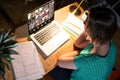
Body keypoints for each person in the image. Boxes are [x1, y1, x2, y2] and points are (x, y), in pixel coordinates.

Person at [49, 6, 118, 80]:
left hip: (77, 74)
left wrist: (78, 53)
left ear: (93, 31)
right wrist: (88, 29)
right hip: (92, 73)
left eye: (86, 22)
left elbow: (60, 61)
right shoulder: (108, 42)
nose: (84, 22)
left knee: (51, 66)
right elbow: (77, 44)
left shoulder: (86, 61)